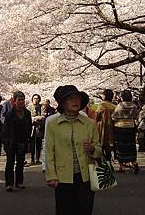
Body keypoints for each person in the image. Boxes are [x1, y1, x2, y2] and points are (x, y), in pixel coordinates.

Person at [45, 85, 102, 215]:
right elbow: (49, 151)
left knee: (85, 210)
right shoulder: (53, 124)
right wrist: (51, 175)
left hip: (86, 176)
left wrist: (93, 149)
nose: (75, 101)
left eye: (77, 98)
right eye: (71, 99)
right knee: (64, 210)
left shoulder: (89, 123)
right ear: (63, 103)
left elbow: (99, 149)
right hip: (63, 177)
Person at [2, 91, 32, 191]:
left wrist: (28, 142)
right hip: (11, 142)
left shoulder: (27, 113)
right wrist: (6, 142)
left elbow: (29, 128)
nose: (21, 102)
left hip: (22, 141)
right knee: (10, 163)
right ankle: (9, 183)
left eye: (22, 100)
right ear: (14, 101)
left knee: (20, 163)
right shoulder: (10, 114)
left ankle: (19, 182)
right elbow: (5, 129)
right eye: (19, 100)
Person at [112, 89, 139, 173]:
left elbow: (114, 117)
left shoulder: (119, 106)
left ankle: (121, 166)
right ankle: (134, 162)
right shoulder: (134, 106)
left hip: (120, 127)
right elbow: (135, 116)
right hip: (131, 126)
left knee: (120, 146)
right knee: (131, 145)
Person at [95, 89, 116, 166]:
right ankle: (109, 160)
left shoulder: (101, 105)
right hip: (112, 127)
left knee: (101, 144)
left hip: (102, 127)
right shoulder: (114, 106)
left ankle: (102, 162)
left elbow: (96, 116)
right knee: (108, 145)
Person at [28, 94, 45, 165]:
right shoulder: (29, 107)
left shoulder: (42, 107)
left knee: (38, 144)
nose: (36, 100)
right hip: (32, 128)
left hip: (39, 128)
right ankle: (32, 159)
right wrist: (36, 118)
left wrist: (34, 118)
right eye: (34, 98)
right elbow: (28, 117)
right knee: (32, 145)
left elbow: (43, 117)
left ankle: (37, 159)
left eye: (37, 98)